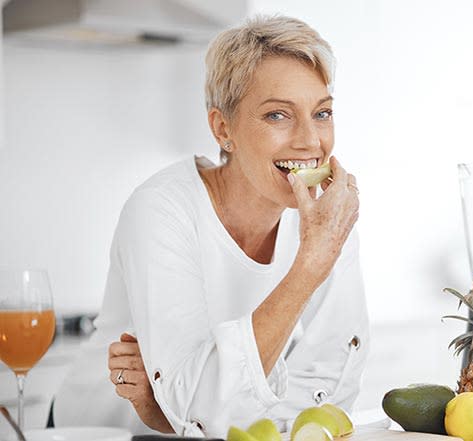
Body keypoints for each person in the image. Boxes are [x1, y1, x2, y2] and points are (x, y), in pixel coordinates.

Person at [53, 15, 369, 438]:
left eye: (322, 113)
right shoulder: (162, 210)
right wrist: (312, 262)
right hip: (97, 431)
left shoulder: (326, 215)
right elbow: (198, 409)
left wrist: (258, 422)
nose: (311, 141)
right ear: (223, 129)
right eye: (278, 115)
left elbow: (332, 375)